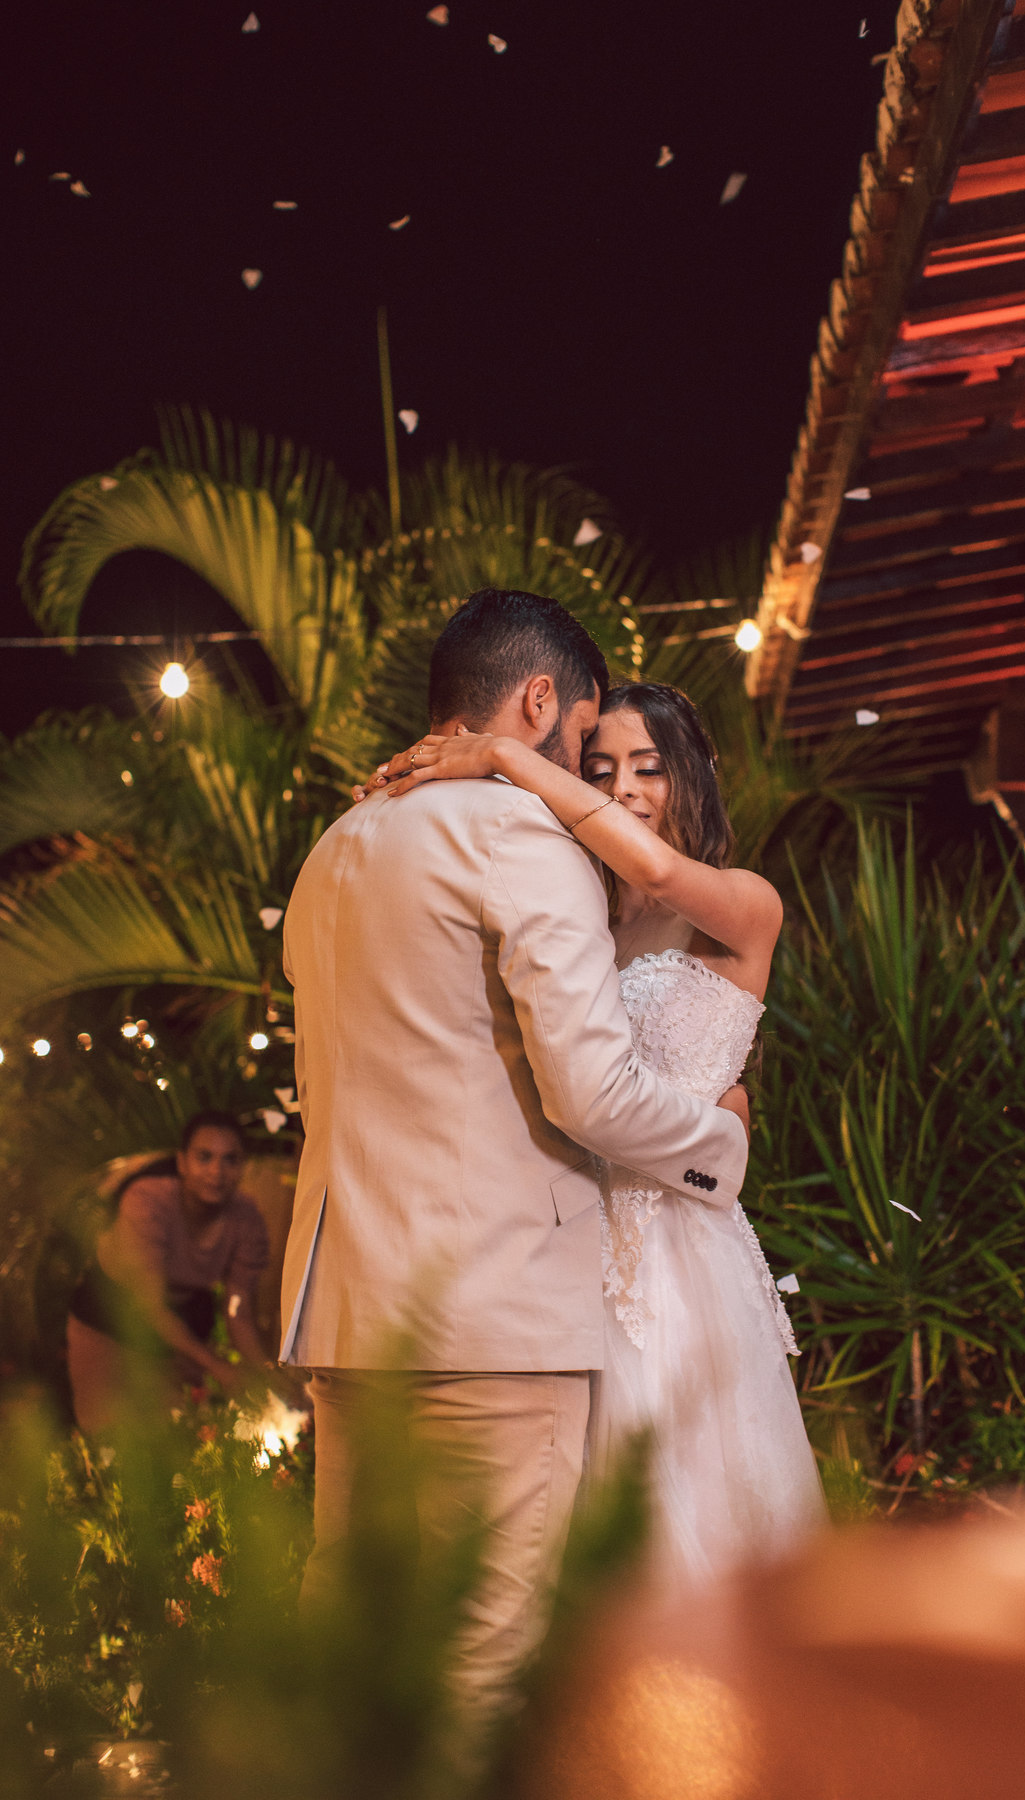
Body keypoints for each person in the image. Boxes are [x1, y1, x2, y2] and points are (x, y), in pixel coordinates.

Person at [278, 590, 750, 1728]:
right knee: (488, 1666)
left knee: (355, 1645)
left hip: (349, 1315)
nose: (595, 781)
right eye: (588, 744)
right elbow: (589, 1091)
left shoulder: (336, 848)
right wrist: (719, 1144)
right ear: (541, 701)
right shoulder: (518, 838)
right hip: (492, 1322)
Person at [372, 680, 825, 1585]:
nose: (624, 789)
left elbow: (657, 872)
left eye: (649, 769)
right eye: (603, 767)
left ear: (696, 774)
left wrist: (503, 755)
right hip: (574, 1238)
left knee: (693, 1512)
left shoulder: (744, 902)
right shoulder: (583, 914)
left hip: (685, 1255)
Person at [67, 1110, 273, 1431]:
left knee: (174, 1435)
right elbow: (149, 1304)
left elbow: (238, 1307)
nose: (217, 1171)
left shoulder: (246, 1219)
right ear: (182, 1162)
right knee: (107, 1437)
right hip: (107, 1322)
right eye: (204, 1157)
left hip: (174, 1331)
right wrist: (218, 1367)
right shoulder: (148, 1201)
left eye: (230, 1159)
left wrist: (263, 1372)